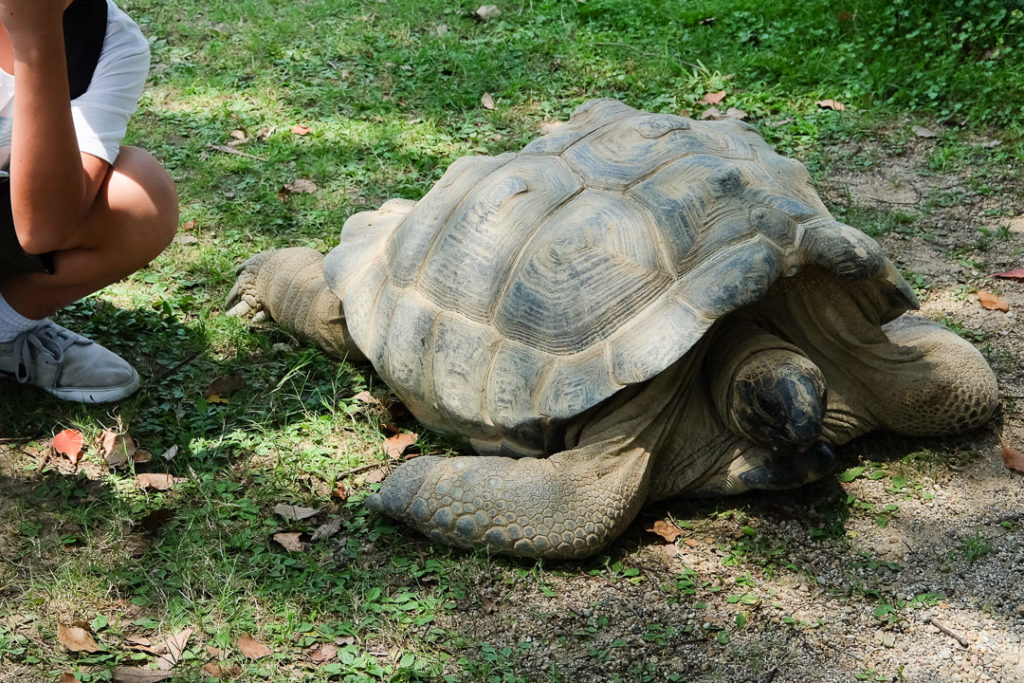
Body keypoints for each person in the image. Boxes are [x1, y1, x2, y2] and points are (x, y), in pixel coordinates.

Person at [0, 0, 177, 403]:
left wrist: (35, 37)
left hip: (16, 218)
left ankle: (3, 328)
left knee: (139, 199)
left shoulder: (109, 39)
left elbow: (42, 229)